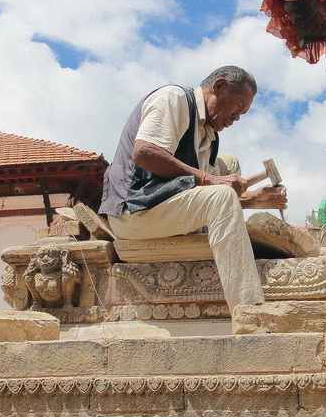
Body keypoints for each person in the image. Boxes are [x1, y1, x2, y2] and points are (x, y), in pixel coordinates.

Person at [100, 65, 286, 311]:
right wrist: (211, 180)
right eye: (238, 107)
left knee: (228, 164)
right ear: (218, 86)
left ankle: (217, 243)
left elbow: (205, 194)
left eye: (244, 113)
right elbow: (144, 152)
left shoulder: (209, 135)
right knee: (219, 189)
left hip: (163, 205)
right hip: (134, 211)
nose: (238, 117)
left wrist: (254, 200)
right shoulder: (174, 99)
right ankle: (248, 309)